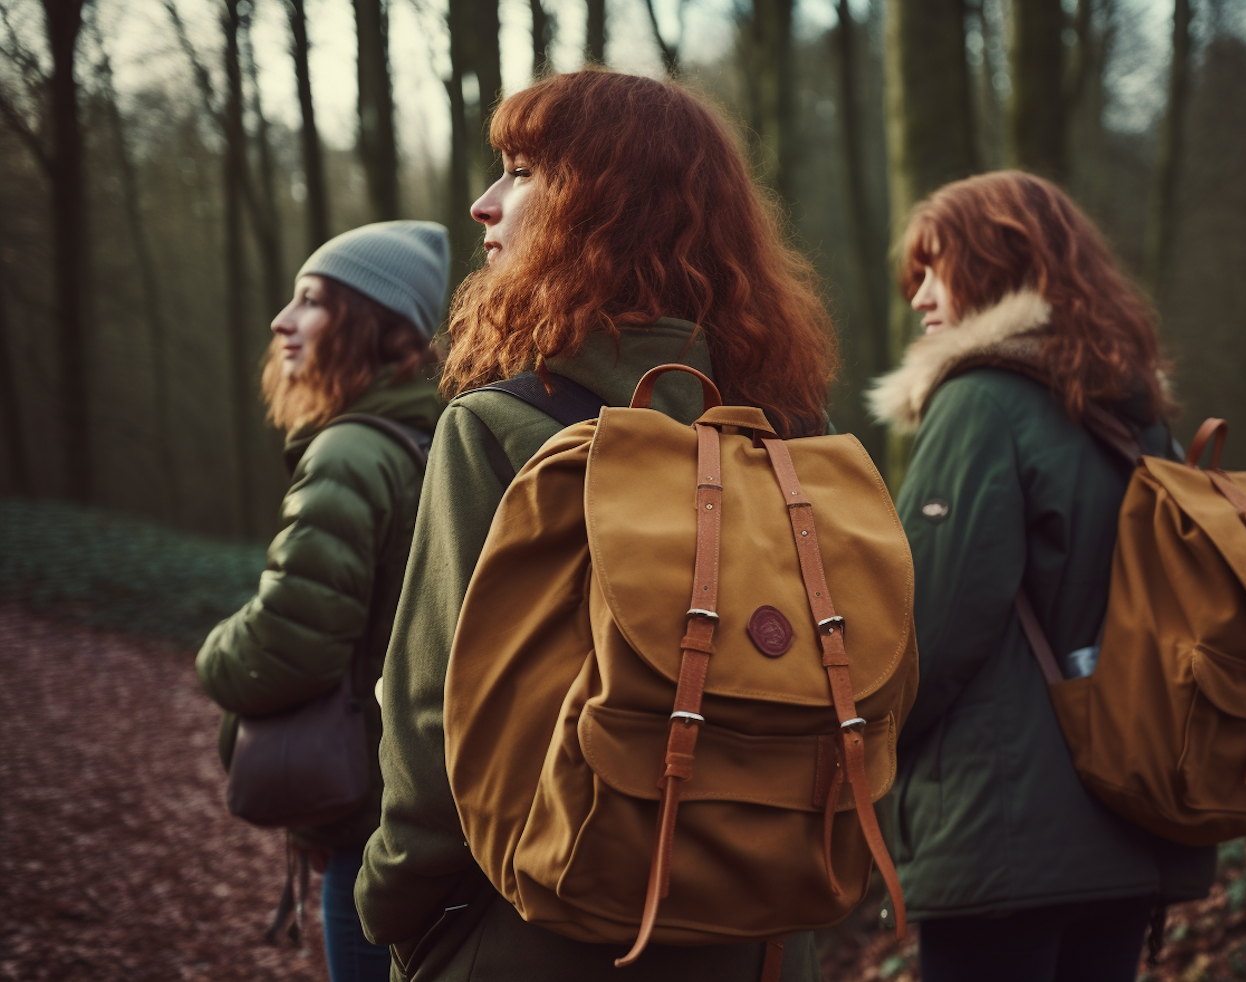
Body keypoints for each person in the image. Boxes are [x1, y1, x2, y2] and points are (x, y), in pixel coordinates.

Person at [354, 70, 836, 982]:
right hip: (763, 930)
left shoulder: (503, 426)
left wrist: (391, 902)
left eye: (522, 171)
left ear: (600, 209)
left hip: (547, 926)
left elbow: (435, 723)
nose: (483, 204)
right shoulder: (798, 434)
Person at [867, 171, 1217, 982]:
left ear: (1000, 262)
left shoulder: (981, 401)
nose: (918, 298)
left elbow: (928, 629)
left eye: (935, 268)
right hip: (1134, 808)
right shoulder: (1132, 416)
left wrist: (863, 742)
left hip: (1007, 826)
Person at [197, 221, 450, 982]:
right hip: (422, 802)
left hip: (367, 817)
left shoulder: (351, 451)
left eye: (310, 300)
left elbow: (288, 644)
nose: (282, 319)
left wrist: (212, 655)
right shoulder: (434, 438)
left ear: (371, 325)